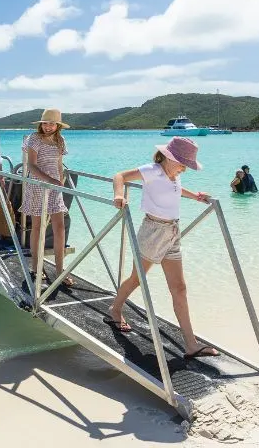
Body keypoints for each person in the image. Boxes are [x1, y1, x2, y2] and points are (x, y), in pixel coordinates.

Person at [104, 137, 219, 360]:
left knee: (180, 288)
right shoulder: (153, 170)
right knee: (137, 279)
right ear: (168, 157)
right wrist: (119, 195)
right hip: (153, 232)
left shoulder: (173, 176)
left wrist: (195, 196)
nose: (184, 167)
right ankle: (115, 309)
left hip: (172, 233)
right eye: (182, 162)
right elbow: (120, 176)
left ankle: (191, 344)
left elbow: (175, 189)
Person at [21, 108, 72, 288]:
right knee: (38, 227)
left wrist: (60, 182)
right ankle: (36, 267)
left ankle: (60, 270)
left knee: (59, 228)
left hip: (55, 187)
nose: (48, 126)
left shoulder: (60, 140)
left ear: (57, 125)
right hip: (37, 186)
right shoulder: (33, 139)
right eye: (45, 123)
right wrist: (50, 180)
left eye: (51, 123)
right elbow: (32, 166)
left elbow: (59, 164)